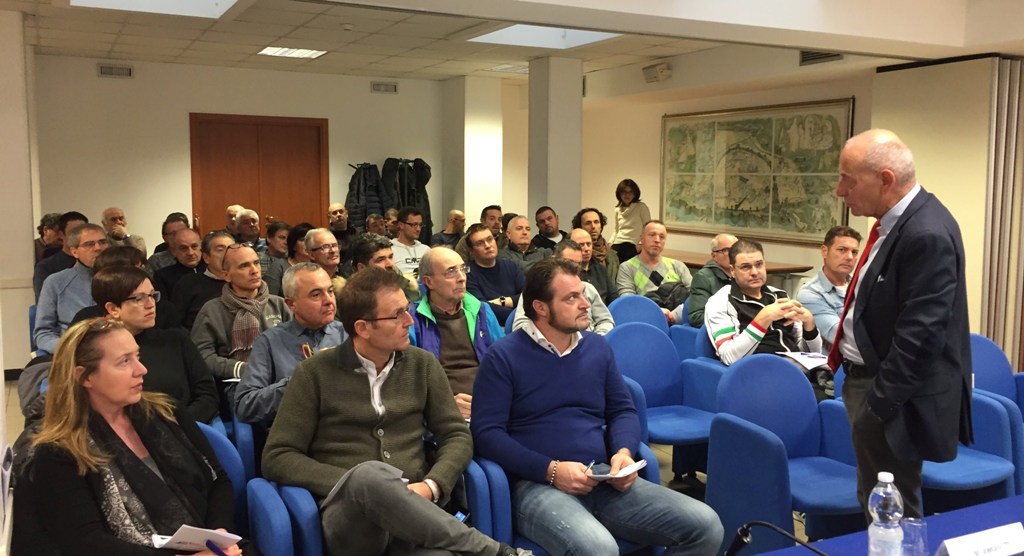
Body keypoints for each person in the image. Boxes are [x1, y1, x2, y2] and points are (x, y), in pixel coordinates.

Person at [261, 267, 525, 556]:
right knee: (369, 475)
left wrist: (432, 485)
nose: (409, 321)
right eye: (397, 315)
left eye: (406, 310)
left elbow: (456, 434)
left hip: (417, 518)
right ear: (363, 328)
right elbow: (278, 456)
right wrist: (354, 484)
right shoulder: (314, 373)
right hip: (352, 525)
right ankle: (495, 552)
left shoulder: (422, 364)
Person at [472, 258, 723, 556]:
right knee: (598, 548)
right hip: (535, 484)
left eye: (583, 294)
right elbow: (487, 434)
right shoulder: (503, 356)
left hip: (601, 475)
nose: (585, 304)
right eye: (571, 298)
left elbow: (622, 410)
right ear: (540, 307)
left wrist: (623, 453)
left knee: (707, 525)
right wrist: (551, 470)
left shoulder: (596, 347)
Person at [831, 129, 972, 519]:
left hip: (890, 396)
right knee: (876, 498)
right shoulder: (897, 223)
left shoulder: (925, 232)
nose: (840, 191)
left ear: (885, 179)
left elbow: (921, 335)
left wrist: (879, 404)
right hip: (872, 384)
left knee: (891, 510)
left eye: (848, 179)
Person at [20, 318, 242, 556]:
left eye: (137, 356)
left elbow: (218, 479)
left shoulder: (167, 412)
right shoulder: (58, 452)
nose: (142, 369)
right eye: (124, 361)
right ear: (84, 377)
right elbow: (86, 542)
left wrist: (217, 537)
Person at [703, 239, 830, 399]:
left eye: (759, 264)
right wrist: (763, 318)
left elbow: (810, 353)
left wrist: (809, 325)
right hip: (757, 378)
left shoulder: (779, 295)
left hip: (796, 372)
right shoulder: (721, 301)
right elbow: (729, 357)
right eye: (745, 267)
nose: (754, 272)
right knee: (826, 403)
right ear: (733, 270)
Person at [92, 266, 219, 424]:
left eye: (152, 295)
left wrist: (177, 426)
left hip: (186, 428)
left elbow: (208, 396)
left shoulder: (176, 340)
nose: (151, 304)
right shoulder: (99, 352)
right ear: (113, 308)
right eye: (139, 298)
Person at [234, 263, 347, 425]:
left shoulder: (350, 335)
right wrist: (300, 380)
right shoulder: (270, 342)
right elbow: (246, 406)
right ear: (291, 304)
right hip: (297, 431)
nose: (329, 300)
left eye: (330, 291)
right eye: (316, 295)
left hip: (347, 428)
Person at [190, 242, 290, 405]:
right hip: (236, 384)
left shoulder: (279, 304)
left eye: (256, 263)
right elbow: (202, 356)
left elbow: (297, 343)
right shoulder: (212, 310)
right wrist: (242, 369)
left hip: (281, 378)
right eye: (244, 266)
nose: (254, 270)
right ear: (226, 275)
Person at [410, 247, 504, 419]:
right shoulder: (412, 320)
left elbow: (504, 362)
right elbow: (407, 382)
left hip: (491, 404)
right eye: (451, 271)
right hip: (443, 414)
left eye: (462, 269)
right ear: (429, 282)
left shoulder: (482, 311)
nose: (461, 277)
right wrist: (444, 405)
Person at [510, 240, 615, 335]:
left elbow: (605, 320)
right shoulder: (537, 289)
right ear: (554, 260)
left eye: (579, 264)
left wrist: (597, 337)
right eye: (568, 263)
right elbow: (519, 326)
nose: (575, 268)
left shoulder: (588, 288)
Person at [34, 223, 109, 355]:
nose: (98, 248)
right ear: (74, 251)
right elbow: (43, 333)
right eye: (89, 244)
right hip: (73, 352)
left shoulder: (125, 279)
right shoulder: (56, 282)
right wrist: (70, 349)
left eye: (102, 242)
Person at [796, 225, 862, 351]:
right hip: (835, 361)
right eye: (842, 250)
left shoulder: (862, 285)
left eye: (854, 252)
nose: (849, 257)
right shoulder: (810, 293)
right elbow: (840, 335)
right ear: (824, 251)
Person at [465, 223, 525, 326]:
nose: (488, 246)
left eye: (490, 239)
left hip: (520, 322)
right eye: (480, 243)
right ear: (471, 251)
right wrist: (518, 314)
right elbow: (482, 308)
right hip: (489, 326)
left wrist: (502, 301)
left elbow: (528, 296)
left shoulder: (511, 266)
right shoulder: (467, 274)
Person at [172, 230, 233, 329]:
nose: (227, 254)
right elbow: (176, 323)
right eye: (220, 250)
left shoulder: (244, 280)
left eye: (231, 249)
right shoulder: (188, 283)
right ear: (206, 257)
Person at [616, 220, 692, 298]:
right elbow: (628, 300)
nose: (657, 240)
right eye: (652, 235)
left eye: (662, 237)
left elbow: (694, 295)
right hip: (644, 306)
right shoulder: (627, 268)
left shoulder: (678, 266)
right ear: (642, 239)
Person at [350, 232, 421, 302]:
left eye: (390, 257)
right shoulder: (352, 301)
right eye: (380, 260)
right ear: (362, 268)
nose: (390, 264)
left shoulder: (407, 288)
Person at [33, 211, 88, 300]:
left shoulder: (95, 261)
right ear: (61, 234)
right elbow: (44, 301)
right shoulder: (45, 266)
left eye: (84, 232)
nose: (80, 236)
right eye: (74, 232)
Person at [686, 233, 737, 326]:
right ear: (714, 256)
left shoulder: (744, 275)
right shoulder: (703, 277)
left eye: (736, 249)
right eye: (726, 250)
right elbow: (696, 317)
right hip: (722, 330)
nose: (733, 254)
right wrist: (734, 320)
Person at [153, 228, 205, 300]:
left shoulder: (213, 270)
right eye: (183, 248)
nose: (190, 253)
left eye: (194, 246)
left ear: (201, 247)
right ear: (174, 251)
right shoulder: (163, 276)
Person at [573, 207, 620, 285]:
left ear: (601, 226)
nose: (593, 226)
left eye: (596, 222)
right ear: (580, 227)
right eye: (588, 223)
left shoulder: (612, 255)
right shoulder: (575, 253)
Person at [568, 228, 615, 304]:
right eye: (581, 245)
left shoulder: (601, 269)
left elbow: (614, 298)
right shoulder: (568, 273)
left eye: (589, 244)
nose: (587, 249)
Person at [609, 178, 652, 263]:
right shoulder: (617, 209)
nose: (627, 195)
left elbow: (648, 227)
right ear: (619, 194)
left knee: (627, 266)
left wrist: (641, 243)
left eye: (630, 192)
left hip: (633, 244)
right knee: (611, 262)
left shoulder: (641, 207)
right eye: (624, 192)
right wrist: (610, 242)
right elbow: (616, 230)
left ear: (635, 194)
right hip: (618, 242)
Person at [265, 222, 313, 297]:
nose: (307, 244)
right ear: (293, 245)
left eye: (310, 240)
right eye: (302, 240)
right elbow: (269, 299)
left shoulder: (319, 264)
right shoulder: (278, 267)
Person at [390, 206, 430, 276]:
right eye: (414, 225)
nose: (418, 229)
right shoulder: (390, 250)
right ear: (401, 225)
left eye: (420, 225)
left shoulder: (426, 250)